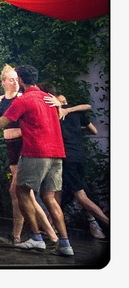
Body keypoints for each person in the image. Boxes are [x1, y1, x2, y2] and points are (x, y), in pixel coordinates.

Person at [0, 64, 74, 256]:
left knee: (21, 191)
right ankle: (65, 244)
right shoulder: (48, 98)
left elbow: (0, 123)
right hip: (56, 152)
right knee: (49, 197)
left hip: (36, 151)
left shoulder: (23, 100)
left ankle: (37, 238)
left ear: (20, 80)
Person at [41, 84, 109, 240]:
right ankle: (52, 226)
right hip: (80, 156)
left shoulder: (55, 115)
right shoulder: (76, 114)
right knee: (60, 192)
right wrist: (77, 130)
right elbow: (94, 130)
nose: (64, 104)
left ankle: (106, 223)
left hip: (67, 158)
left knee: (80, 195)